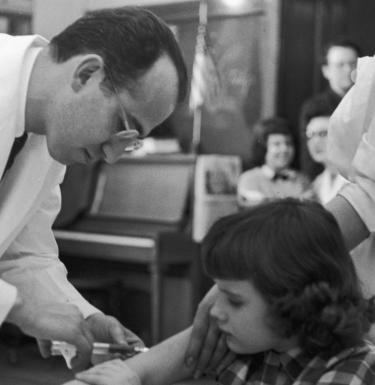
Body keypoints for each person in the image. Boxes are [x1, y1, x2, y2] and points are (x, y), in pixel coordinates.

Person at [0, 6, 187, 370]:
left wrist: (81, 318)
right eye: (123, 125)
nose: (113, 155)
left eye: (131, 141)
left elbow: (23, 255)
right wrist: (22, 309)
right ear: (86, 73)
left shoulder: (52, 128)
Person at [73, 198, 375, 385]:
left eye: (234, 300)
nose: (214, 310)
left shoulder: (357, 369)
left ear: (293, 302)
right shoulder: (258, 342)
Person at [299, 38, 361, 180]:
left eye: (353, 64)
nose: (348, 70)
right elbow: (310, 158)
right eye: (340, 65)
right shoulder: (314, 107)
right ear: (326, 71)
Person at [237, 117, 312, 208]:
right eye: (277, 144)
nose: (284, 149)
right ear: (263, 148)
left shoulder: (302, 180)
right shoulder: (249, 179)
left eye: (288, 143)